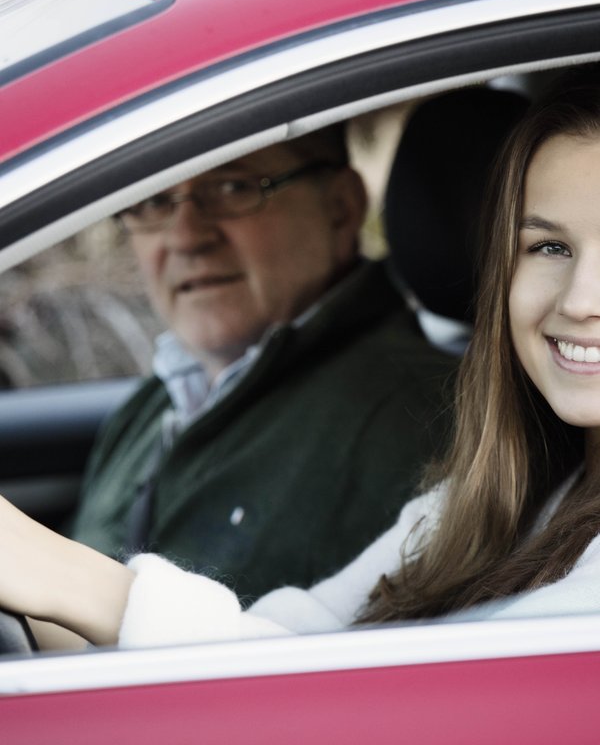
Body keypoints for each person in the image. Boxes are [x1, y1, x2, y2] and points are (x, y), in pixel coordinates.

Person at [3, 65, 600, 651]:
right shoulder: (502, 490)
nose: (580, 300)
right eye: (549, 245)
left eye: (235, 189)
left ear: (344, 208)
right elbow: (289, 644)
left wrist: (69, 579)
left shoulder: (403, 412)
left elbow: (377, 713)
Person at [68, 124, 457, 600]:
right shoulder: (148, 408)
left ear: (340, 208)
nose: (186, 236)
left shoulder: (423, 422)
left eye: (233, 187)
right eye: (152, 202)